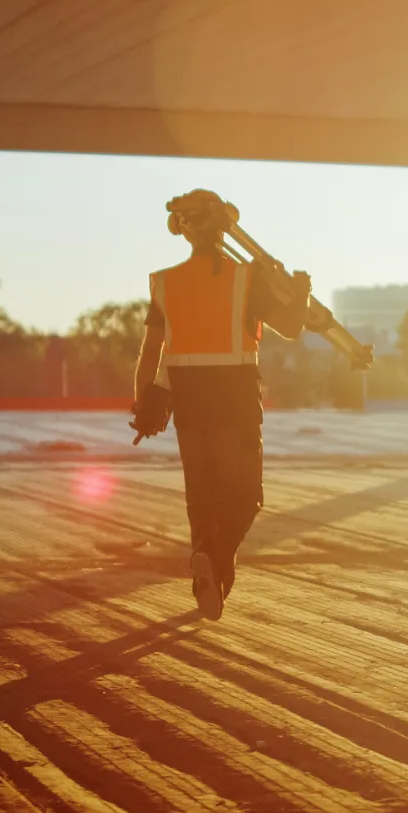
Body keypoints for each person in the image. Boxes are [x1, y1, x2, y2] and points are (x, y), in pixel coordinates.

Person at [130, 190, 309, 620]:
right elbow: (292, 327)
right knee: (245, 498)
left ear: (184, 229)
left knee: (203, 500)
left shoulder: (164, 282)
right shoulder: (246, 278)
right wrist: (300, 291)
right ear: (224, 225)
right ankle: (212, 558)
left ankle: (208, 582)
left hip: (188, 406)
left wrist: (144, 399)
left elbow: (150, 348)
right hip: (235, 402)